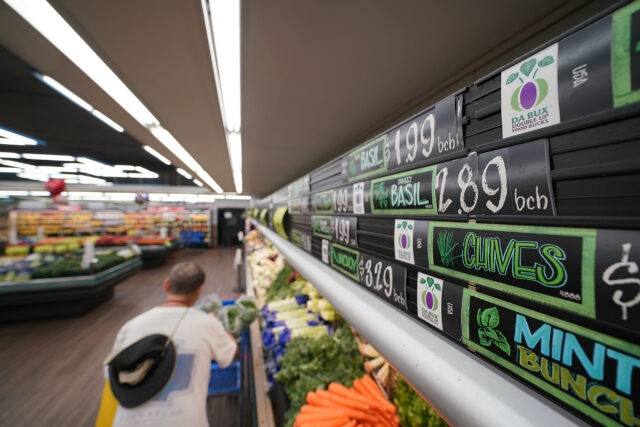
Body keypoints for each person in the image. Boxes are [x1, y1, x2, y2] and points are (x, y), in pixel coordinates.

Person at [102, 262, 237, 427]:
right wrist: (223, 331)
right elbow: (228, 355)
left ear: (166, 285)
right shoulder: (207, 324)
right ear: (199, 290)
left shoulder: (130, 326)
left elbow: (110, 374)